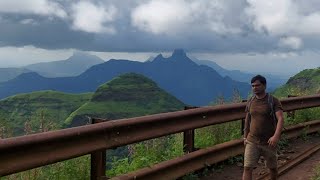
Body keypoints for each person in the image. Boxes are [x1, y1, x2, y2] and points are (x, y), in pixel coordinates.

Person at [242, 75, 284, 180]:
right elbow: (247, 119)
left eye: (257, 85)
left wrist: (276, 136)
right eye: (252, 86)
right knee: (247, 167)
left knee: (272, 168)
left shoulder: (273, 101)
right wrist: (245, 136)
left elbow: (280, 119)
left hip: (269, 142)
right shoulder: (251, 101)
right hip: (252, 140)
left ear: (264, 85)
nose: (255, 88)